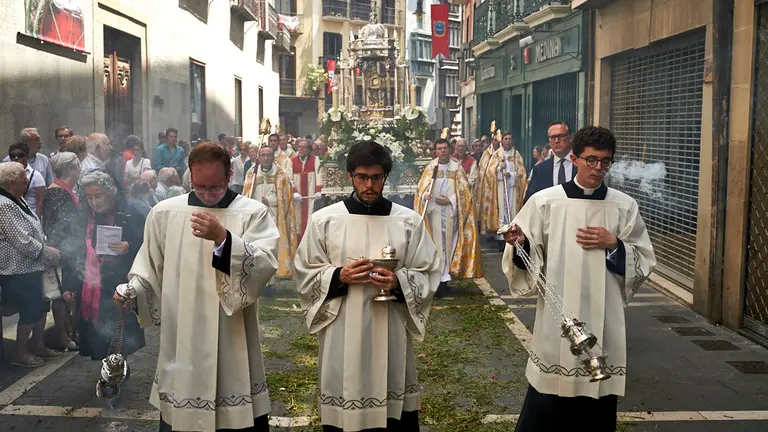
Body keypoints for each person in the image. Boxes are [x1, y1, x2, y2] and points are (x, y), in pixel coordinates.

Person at [113, 141, 280, 432]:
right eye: (199, 186)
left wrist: (224, 239)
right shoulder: (165, 213)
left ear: (229, 176)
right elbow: (149, 263)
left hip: (232, 330)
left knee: (234, 399)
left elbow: (264, 264)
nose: (206, 195)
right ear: (189, 175)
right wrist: (133, 289)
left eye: (214, 188)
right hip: (183, 329)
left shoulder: (252, 213)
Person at [501, 126, 657, 432]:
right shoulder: (545, 202)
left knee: (596, 407)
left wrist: (615, 245)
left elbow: (645, 260)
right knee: (545, 405)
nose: (598, 168)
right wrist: (520, 243)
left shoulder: (623, 206)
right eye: (591, 160)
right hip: (557, 317)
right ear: (575, 158)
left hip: (605, 317)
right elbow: (525, 255)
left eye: (605, 161)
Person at [294, 140, 441, 432]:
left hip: (391, 331)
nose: (369, 184)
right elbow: (305, 271)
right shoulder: (325, 220)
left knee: (393, 409)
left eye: (376, 177)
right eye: (362, 177)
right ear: (351, 176)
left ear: (385, 177)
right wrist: (338, 276)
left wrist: (399, 281)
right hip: (343, 331)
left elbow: (428, 271)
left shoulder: (407, 221)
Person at [75, 171, 145, 361]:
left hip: (119, 280)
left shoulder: (130, 212)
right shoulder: (85, 217)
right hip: (91, 281)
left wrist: (129, 247)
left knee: (119, 328)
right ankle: (108, 368)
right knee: (99, 334)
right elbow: (74, 248)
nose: (94, 202)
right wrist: (69, 285)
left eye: (98, 196)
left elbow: (147, 243)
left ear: (110, 192)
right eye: (89, 197)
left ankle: (118, 364)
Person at [0, 162, 62, 367]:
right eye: (22, 176)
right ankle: (20, 351)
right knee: (28, 310)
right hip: (18, 269)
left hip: (33, 266)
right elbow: (21, 239)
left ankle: (37, 344)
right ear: (11, 182)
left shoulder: (19, 200)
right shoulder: (5, 205)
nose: (27, 179)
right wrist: (46, 251)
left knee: (39, 307)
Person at [414, 139, 482, 294]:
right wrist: (426, 195)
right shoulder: (431, 167)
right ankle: (437, 279)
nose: (443, 151)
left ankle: (445, 279)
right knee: (437, 246)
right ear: (435, 151)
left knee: (449, 246)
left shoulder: (456, 167)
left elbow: (465, 192)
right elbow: (420, 189)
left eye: (445, 148)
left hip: (451, 213)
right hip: (435, 213)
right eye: (439, 148)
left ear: (449, 149)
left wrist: (450, 200)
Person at [43, 152, 82, 352]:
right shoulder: (57, 192)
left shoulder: (64, 189)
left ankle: (69, 331)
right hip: (63, 250)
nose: (80, 170)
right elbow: (62, 225)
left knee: (67, 293)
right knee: (61, 295)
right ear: (71, 169)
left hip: (68, 248)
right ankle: (63, 335)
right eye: (78, 166)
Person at [243, 145, 298, 281]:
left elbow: (286, 199)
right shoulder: (252, 173)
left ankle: (273, 279)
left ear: (273, 157)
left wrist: (271, 201)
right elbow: (246, 195)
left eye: (269, 155)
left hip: (274, 216)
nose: (266, 158)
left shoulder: (281, 174)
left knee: (272, 246)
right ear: (259, 157)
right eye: (263, 155)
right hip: (256, 217)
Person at [476, 131, 527, 248]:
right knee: (501, 212)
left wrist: (511, 175)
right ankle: (501, 238)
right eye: (506, 139)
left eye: (510, 139)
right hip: (499, 188)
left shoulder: (516, 154)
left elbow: (522, 172)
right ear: (502, 141)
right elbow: (489, 172)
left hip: (513, 189)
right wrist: (499, 169)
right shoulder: (497, 154)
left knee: (512, 211)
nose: (508, 141)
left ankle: (513, 235)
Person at [524, 121, 576, 204]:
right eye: (552, 137)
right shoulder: (540, 170)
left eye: (561, 136)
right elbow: (530, 201)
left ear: (571, 137)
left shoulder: (581, 165)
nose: (556, 140)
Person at [290, 138, 323, 239]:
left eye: (303, 147)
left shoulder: (315, 159)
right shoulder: (292, 161)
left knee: (309, 219)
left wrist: (318, 191)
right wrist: (294, 192)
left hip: (311, 196)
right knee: (298, 221)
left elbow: (319, 175)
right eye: (299, 147)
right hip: (298, 198)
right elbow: (289, 178)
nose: (300, 149)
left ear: (308, 149)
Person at [8, 142, 46, 219]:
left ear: (27, 156)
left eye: (20, 155)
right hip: (12, 217)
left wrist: (37, 219)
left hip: (30, 216)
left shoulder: (36, 175)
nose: (16, 158)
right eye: (12, 156)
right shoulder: (6, 175)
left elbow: (40, 200)